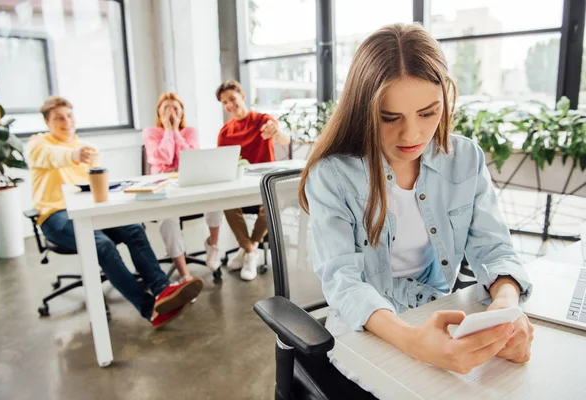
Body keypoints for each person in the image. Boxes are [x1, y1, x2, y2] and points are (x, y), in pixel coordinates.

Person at [300, 24, 534, 383]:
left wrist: (505, 307)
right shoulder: (333, 175)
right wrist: (413, 341)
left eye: (428, 113)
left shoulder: (465, 157)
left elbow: (494, 247)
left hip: (436, 309)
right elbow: (343, 282)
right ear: (363, 110)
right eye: (389, 118)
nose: (411, 135)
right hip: (368, 324)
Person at [27, 96, 203, 328]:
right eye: (59, 118)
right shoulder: (38, 144)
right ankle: (149, 308)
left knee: (134, 228)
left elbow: (95, 187)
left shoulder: (84, 147)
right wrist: (74, 156)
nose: (66, 121)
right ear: (47, 123)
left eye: (69, 115)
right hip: (55, 215)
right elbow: (52, 157)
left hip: (88, 210)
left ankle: (163, 290)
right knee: (103, 246)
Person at [215, 80, 291, 281]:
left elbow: (285, 140)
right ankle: (250, 249)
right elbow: (223, 163)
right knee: (226, 202)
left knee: (270, 203)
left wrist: (275, 132)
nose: (230, 105)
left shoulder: (262, 120)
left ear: (242, 96)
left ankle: (249, 248)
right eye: (225, 102)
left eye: (232, 98)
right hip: (240, 185)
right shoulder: (225, 132)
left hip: (265, 183)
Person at [143, 92, 223, 281]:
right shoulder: (151, 133)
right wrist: (169, 131)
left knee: (215, 199)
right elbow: (163, 157)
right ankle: (184, 273)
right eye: (166, 109)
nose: (171, 113)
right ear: (159, 113)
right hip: (163, 185)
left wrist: (176, 131)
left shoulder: (190, 132)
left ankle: (213, 244)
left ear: (182, 112)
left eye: (175, 108)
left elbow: (191, 157)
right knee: (167, 218)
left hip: (189, 182)